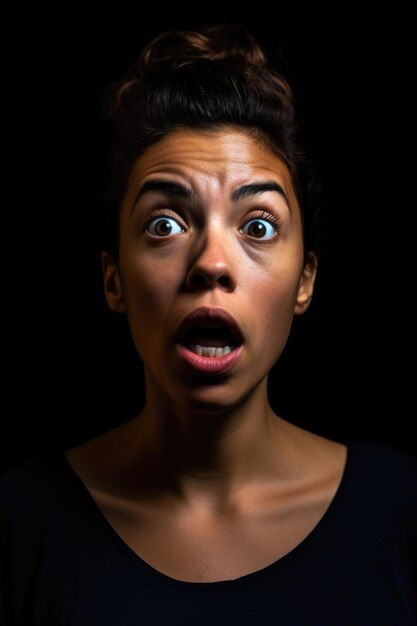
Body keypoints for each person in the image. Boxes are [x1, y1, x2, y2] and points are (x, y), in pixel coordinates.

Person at [1, 23, 416, 626]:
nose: (212, 264)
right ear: (113, 278)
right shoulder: (19, 524)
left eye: (258, 226)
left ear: (306, 280)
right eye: (165, 224)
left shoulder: (403, 512)